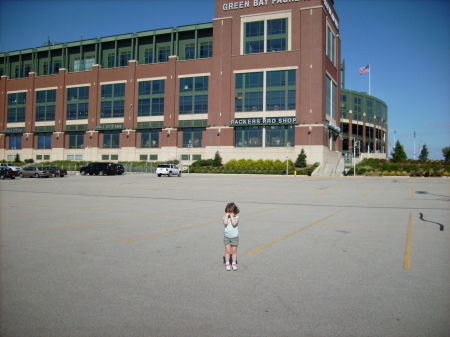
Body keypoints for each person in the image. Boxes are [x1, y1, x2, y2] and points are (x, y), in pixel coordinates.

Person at [223, 202, 240, 271]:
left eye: (231, 212)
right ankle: (227, 263)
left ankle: (234, 263)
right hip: (227, 236)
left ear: (234, 212)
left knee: (234, 250)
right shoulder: (225, 217)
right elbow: (225, 223)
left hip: (234, 236)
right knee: (227, 250)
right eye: (228, 212)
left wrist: (232, 216)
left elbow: (234, 224)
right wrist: (226, 216)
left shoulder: (236, 217)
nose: (229, 213)